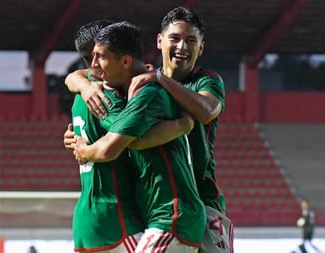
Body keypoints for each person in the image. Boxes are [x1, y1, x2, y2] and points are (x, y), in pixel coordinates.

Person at [65, 7, 234, 253]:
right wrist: (84, 85)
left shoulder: (203, 81)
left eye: (191, 41)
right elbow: (84, 74)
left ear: (201, 47)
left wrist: (162, 82)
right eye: (175, 38)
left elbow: (207, 110)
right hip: (154, 203)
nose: (182, 47)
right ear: (160, 41)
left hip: (199, 200)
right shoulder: (139, 81)